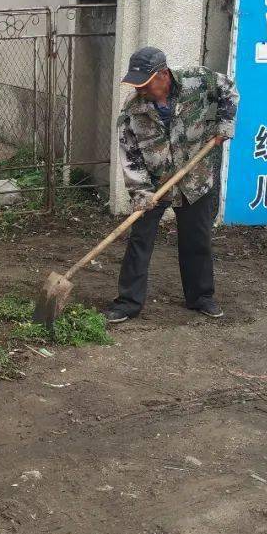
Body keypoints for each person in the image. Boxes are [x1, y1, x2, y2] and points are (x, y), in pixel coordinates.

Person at [103, 46, 239, 325]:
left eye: (144, 83)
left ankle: (200, 296)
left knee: (196, 238)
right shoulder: (133, 110)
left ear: (163, 75)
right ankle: (128, 302)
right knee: (140, 240)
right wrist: (142, 193)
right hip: (154, 182)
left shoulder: (197, 81)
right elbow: (130, 155)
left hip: (195, 178)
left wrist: (225, 125)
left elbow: (229, 89)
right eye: (136, 84)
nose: (139, 89)